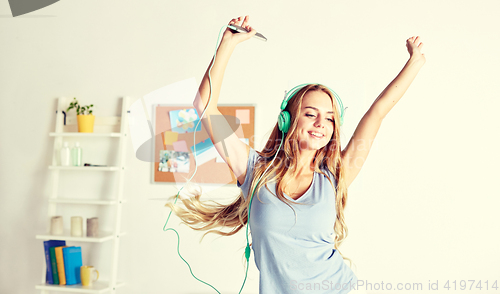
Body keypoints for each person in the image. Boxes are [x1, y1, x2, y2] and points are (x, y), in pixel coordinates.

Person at [165, 15, 426, 293]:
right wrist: (228, 43)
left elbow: (378, 112)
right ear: (287, 121)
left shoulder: (336, 176)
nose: (320, 124)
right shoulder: (255, 171)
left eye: (329, 119)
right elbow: (204, 106)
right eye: (310, 114)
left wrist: (414, 64)